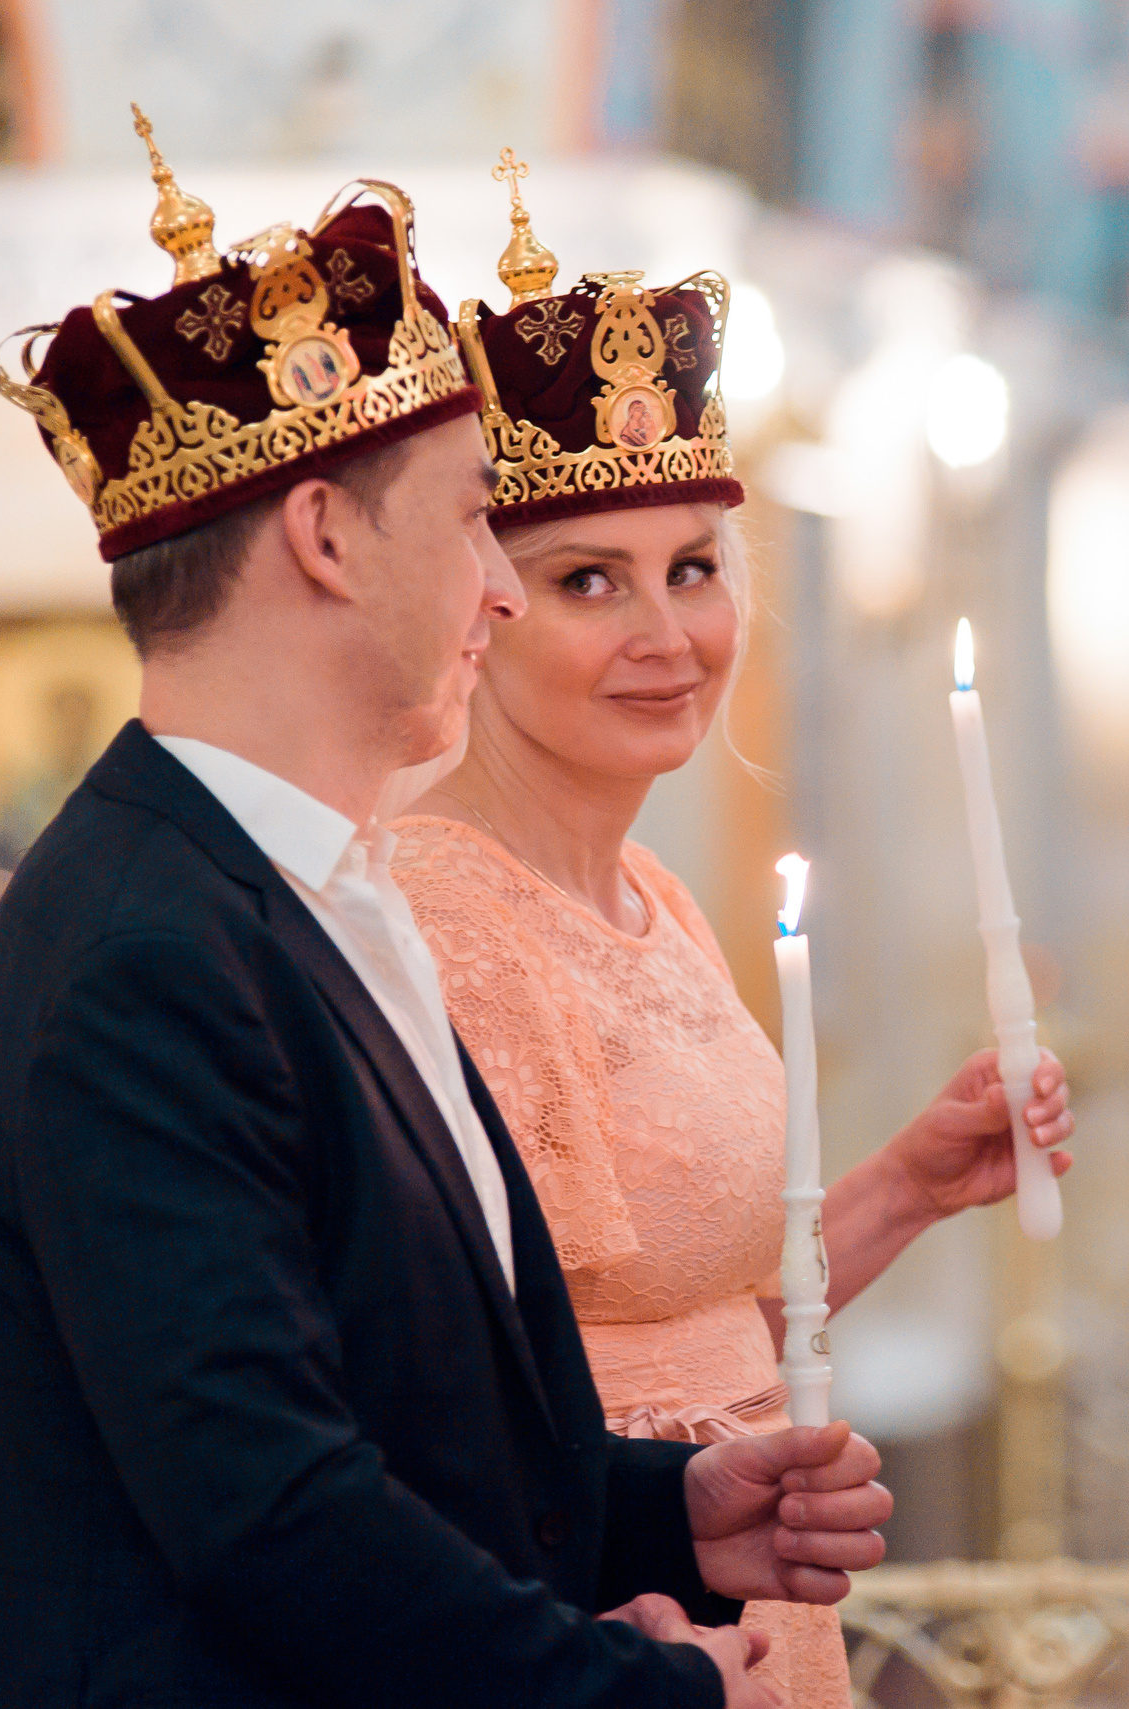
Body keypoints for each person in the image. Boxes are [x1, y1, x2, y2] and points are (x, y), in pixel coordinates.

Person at [0, 123, 890, 1709]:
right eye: (469, 520)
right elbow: (274, 1516)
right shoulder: (141, 955)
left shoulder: (303, 896)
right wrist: (639, 1695)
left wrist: (658, 1510)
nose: (503, 589)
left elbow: (426, 1413)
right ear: (322, 536)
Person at [393, 166, 1076, 1709]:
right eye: (591, 582)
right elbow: (469, 1406)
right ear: (481, 613)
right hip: (617, 1623)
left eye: (694, 570)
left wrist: (909, 1180)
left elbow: (712, 1316)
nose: (667, 632)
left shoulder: (661, 900)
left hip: (749, 1591)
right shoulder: (451, 919)